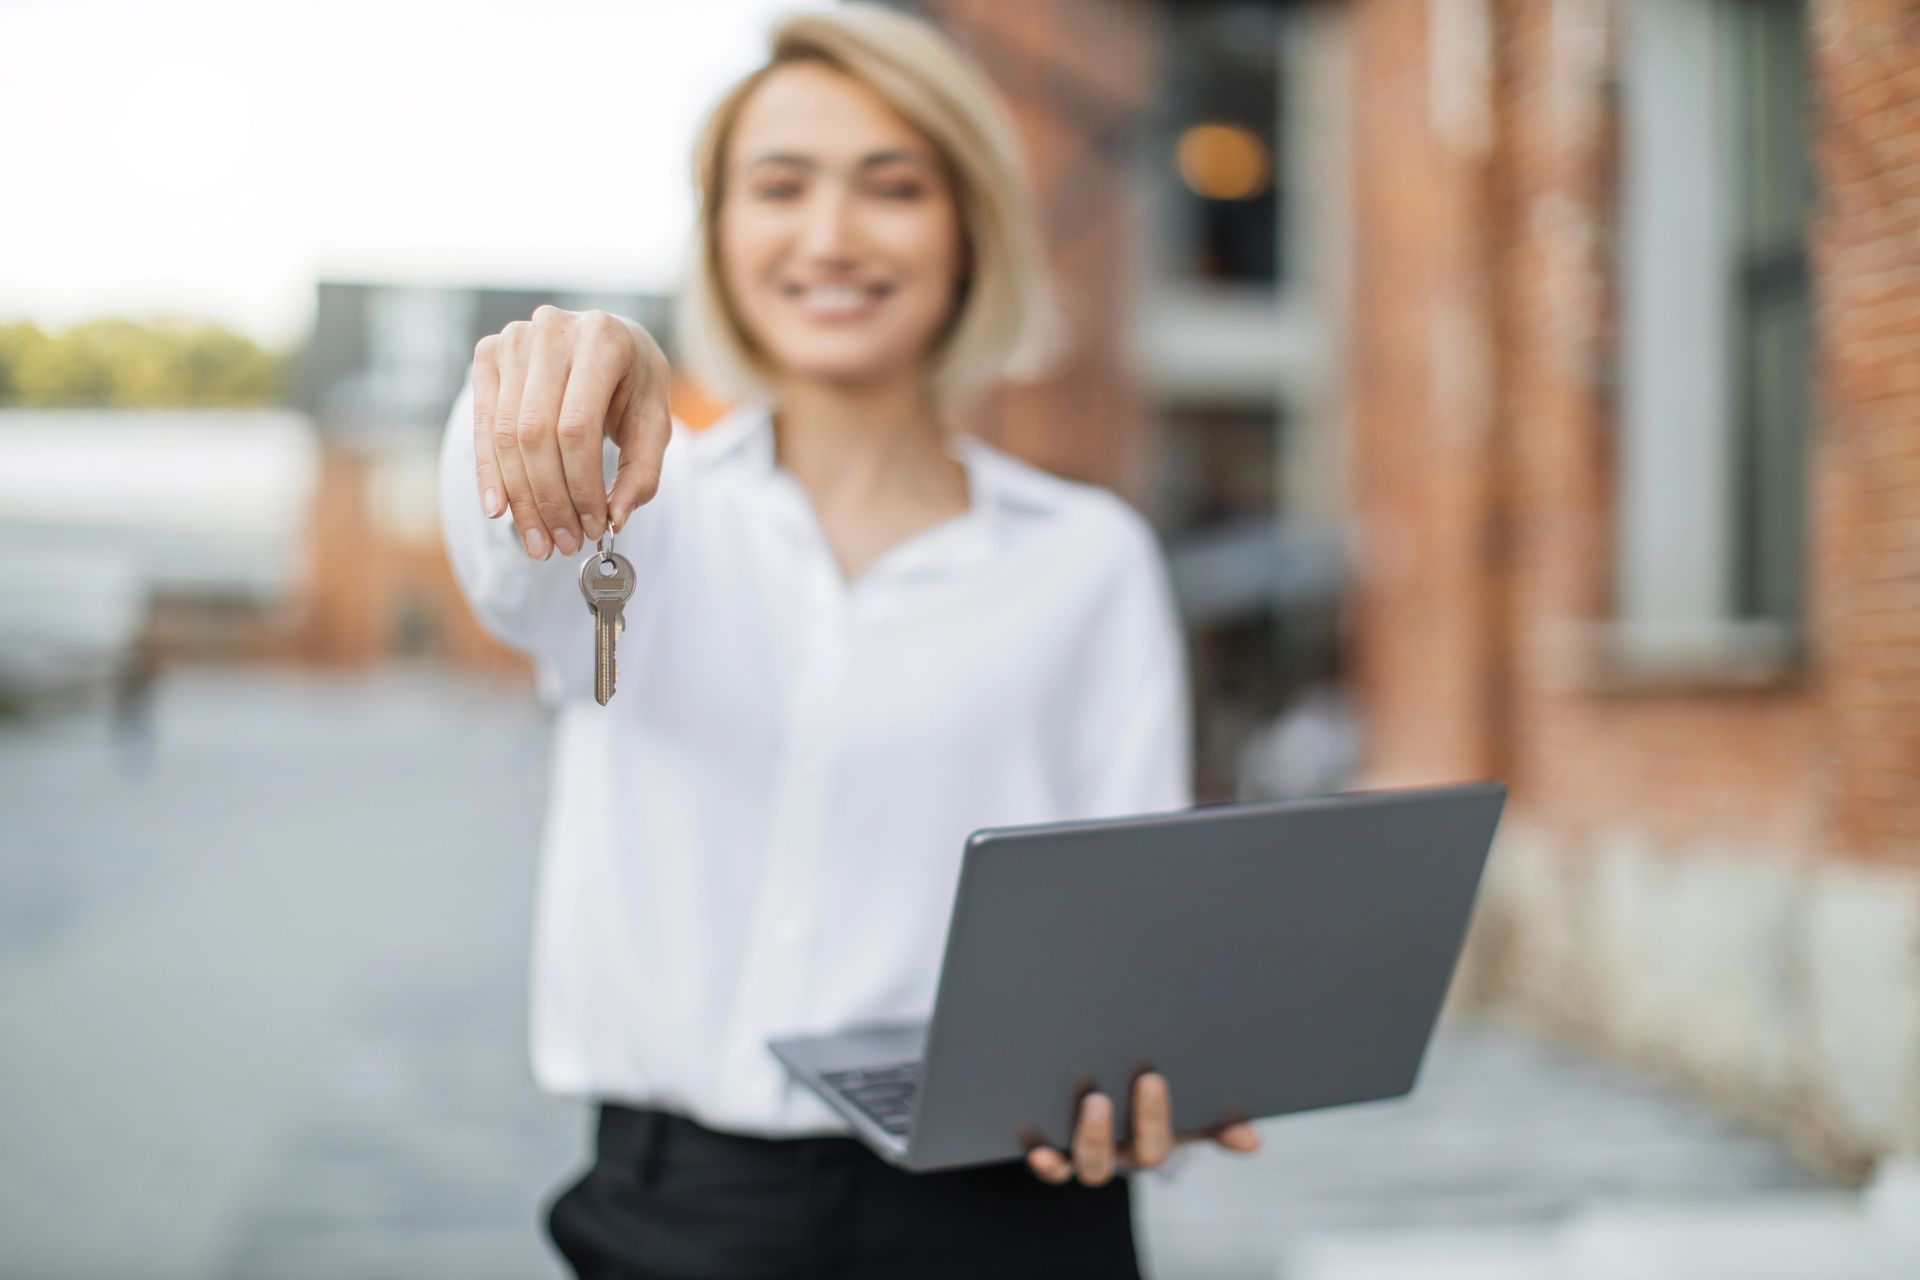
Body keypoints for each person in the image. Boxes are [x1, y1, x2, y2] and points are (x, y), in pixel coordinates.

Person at [437, 6, 1259, 1276]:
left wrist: (1143, 1085)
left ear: (968, 227)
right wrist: (552, 367)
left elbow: (1125, 932)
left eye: (893, 186)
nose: (831, 236)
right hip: (684, 1210)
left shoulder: (1086, 556)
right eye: (780, 186)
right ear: (718, 231)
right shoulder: (636, 518)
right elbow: (499, 543)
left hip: (1011, 1210)